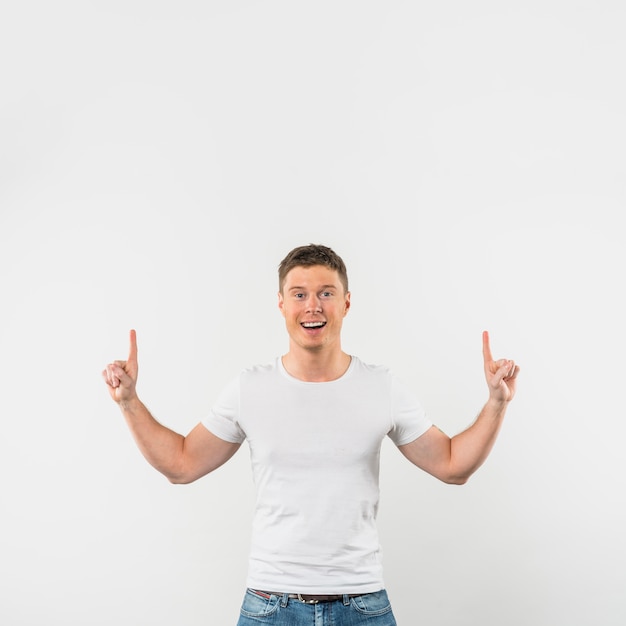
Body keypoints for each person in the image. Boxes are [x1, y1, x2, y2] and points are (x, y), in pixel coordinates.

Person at [102, 243, 519, 626]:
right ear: (281, 304)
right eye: (299, 294)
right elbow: (181, 464)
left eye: (326, 292)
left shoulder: (381, 387)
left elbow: (451, 465)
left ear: (346, 303)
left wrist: (496, 403)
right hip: (270, 606)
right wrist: (129, 402)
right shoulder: (250, 389)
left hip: (362, 605)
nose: (312, 306)